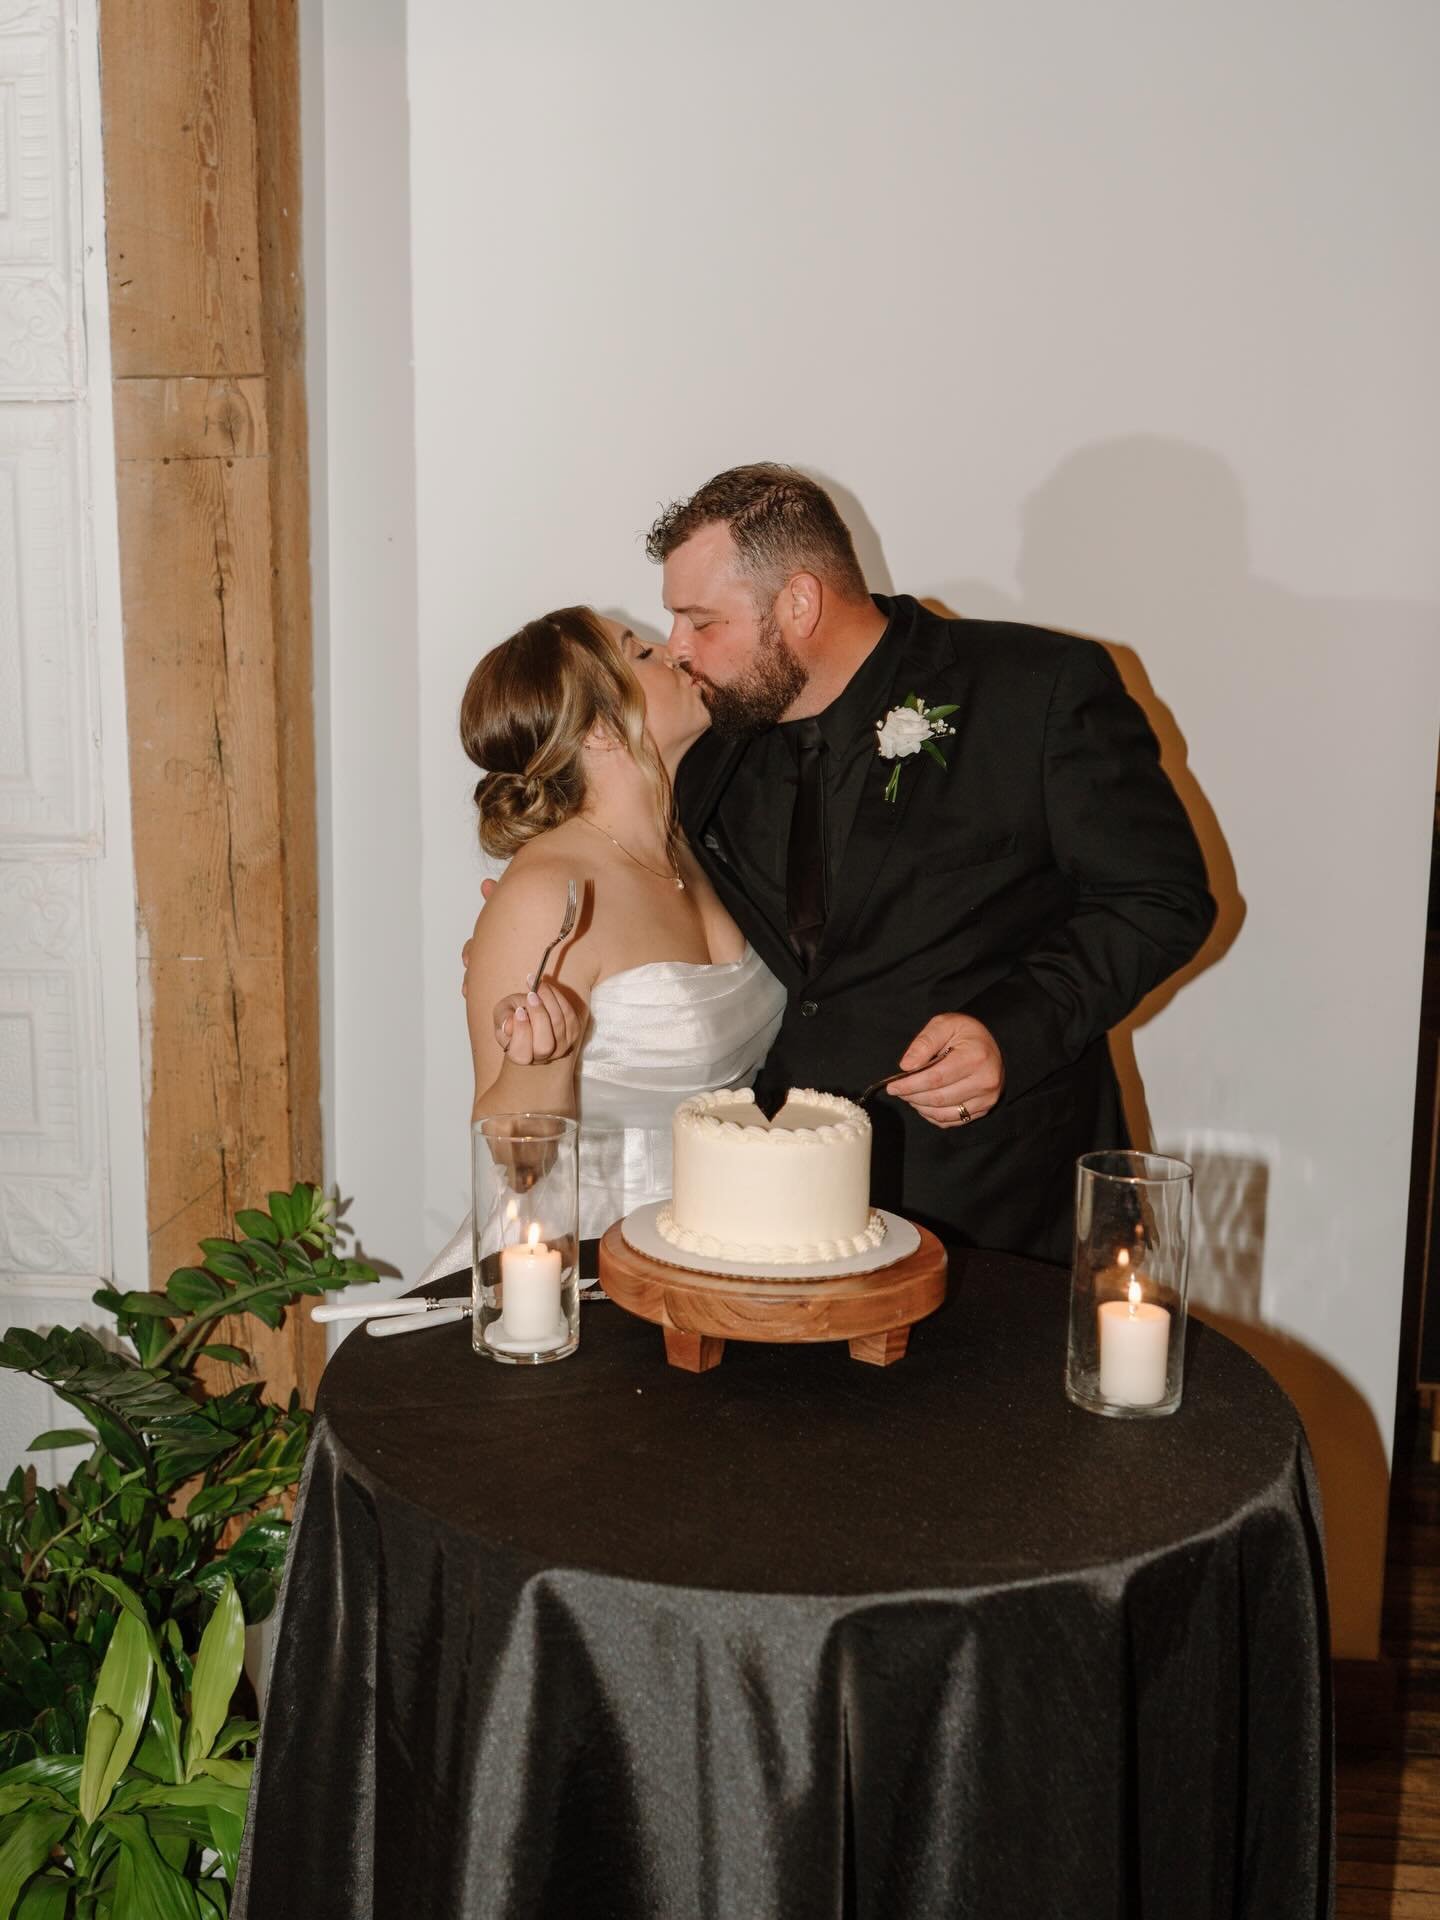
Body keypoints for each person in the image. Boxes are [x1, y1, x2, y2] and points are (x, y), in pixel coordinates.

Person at [646, 463, 1216, 1265]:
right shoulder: (713, 738)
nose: (677, 649)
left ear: (798, 604)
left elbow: (1161, 899)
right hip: (781, 1211)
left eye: (699, 621)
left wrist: (1012, 1032)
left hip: (999, 1205)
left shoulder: (1037, 691)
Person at [418, 605, 785, 1286]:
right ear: (598, 730)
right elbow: (515, 1164)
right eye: (640, 653)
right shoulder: (545, 893)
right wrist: (546, 1060)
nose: (673, 651)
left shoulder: (705, 850)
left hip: (726, 1238)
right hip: (583, 1259)